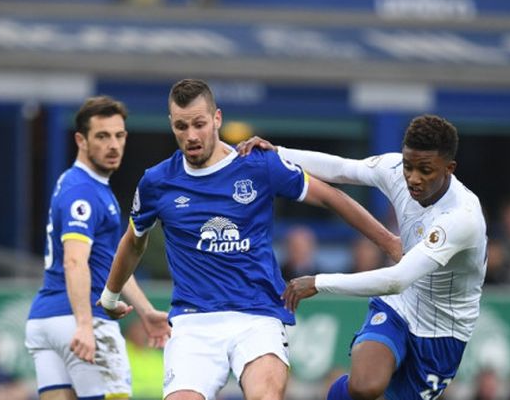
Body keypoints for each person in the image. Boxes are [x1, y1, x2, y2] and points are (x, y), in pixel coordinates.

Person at [98, 79, 400, 400]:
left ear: (217, 119)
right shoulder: (157, 182)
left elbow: (330, 197)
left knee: (265, 394)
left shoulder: (258, 164)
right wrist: (110, 297)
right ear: (172, 125)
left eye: (199, 124)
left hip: (257, 315)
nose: (191, 136)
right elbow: (134, 242)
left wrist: (391, 244)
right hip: (193, 321)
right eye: (182, 126)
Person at [238, 114, 487, 400]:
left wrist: (318, 282)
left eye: (425, 170)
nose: (413, 178)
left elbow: (397, 278)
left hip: (442, 332)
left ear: (449, 168)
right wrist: (279, 152)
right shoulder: (395, 169)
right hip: (399, 307)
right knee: (364, 385)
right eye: (409, 166)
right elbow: (342, 169)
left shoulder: (461, 218)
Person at [25, 96, 170, 400]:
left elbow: (108, 264)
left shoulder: (76, 182)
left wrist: (144, 311)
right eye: (102, 136)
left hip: (45, 321)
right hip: (80, 318)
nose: (113, 145)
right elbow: (74, 262)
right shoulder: (84, 191)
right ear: (81, 140)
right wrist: (84, 324)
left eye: (119, 136)